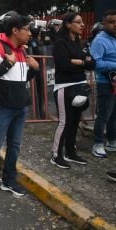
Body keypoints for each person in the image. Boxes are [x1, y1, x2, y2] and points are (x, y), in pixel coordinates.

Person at [0, 14, 39, 204]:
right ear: (15, 30)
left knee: (14, 146)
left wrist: (34, 70)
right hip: (2, 108)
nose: (30, 33)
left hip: (20, 107)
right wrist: (6, 63)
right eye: (27, 29)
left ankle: (8, 181)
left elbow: (19, 80)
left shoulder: (22, 50)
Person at [50, 12, 95, 169]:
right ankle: (56, 155)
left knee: (75, 121)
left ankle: (70, 152)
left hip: (80, 86)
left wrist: (78, 61)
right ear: (68, 24)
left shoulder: (81, 43)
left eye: (82, 22)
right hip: (65, 87)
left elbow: (92, 64)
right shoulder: (60, 43)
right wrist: (82, 62)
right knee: (65, 122)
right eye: (78, 22)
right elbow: (64, 65)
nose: (82, 25)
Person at [90, 10, 116, 181]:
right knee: (104, 114)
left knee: (115, 114)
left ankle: (112, 141)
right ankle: (98, 143)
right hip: (105, 83)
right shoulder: (99, 40)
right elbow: (96, 63)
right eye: (111, 22)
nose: (115, 24)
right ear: (104, 23)